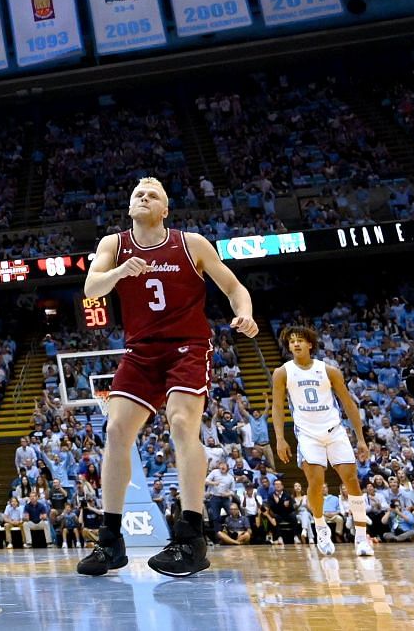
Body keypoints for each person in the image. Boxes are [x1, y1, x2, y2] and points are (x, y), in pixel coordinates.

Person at [78, 177, 257, 578]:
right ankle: (110, 541)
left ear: (165, 210)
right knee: (115, 431)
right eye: (137, 195)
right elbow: (92, 288)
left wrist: (244, 312)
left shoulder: (191, 243)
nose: (143, 197)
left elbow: (233, 286)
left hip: (187, 346)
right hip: (141, 352)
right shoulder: (114, 245)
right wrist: (121, 271)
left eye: (152, 195)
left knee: (180, 422)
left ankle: (191, 534)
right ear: (129, 209)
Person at [271, 325, 374, 557]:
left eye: (300, 340)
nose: (295, 344)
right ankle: (320, 528)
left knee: (352, 481)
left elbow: (348, 404)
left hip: (335, 430)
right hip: (307, 434)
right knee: (315, 483)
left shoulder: (329, 370)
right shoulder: (283, 373)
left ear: (310, 344)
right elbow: (277, 407)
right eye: (291, 341)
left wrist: (361, 439)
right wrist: (279, 438)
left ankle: (361, 537)